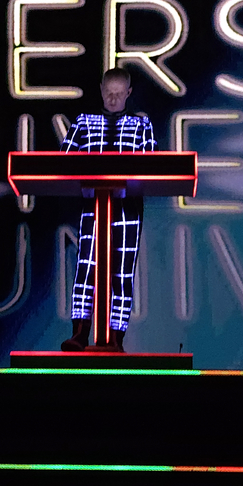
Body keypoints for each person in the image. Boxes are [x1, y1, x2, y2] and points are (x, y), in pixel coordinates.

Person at [58, 67, 155, 351]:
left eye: (118, 94)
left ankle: (115, 338)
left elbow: (152, 164)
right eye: (109, 93)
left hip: (128, 208)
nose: (113, 99)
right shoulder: (83, 123)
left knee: (122, 273)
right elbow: (62, 161)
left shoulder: (142, 125)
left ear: (128, 93)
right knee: (86, 267)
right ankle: (79, 334)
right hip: (93, 206)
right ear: (101, 90)